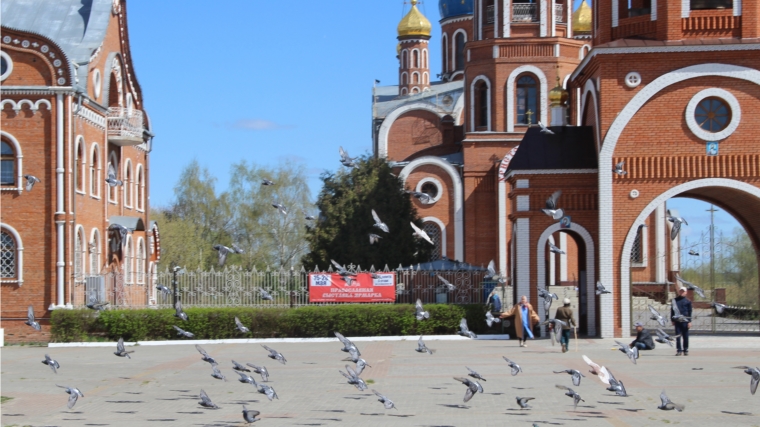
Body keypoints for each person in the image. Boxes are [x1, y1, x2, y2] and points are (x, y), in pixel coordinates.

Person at [672, 287, 692, 356]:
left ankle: (685, 350)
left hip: (685, 320)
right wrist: (672, 320)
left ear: (686, 292)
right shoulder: (675, 300)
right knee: (678, 336)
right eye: (681, 291)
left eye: (683, 291)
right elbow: (672, 311)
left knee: (685, 336)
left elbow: (690, 312)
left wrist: (689, 321)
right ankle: (679, 350)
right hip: (677, 320)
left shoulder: (688, 301)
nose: (682, 292)